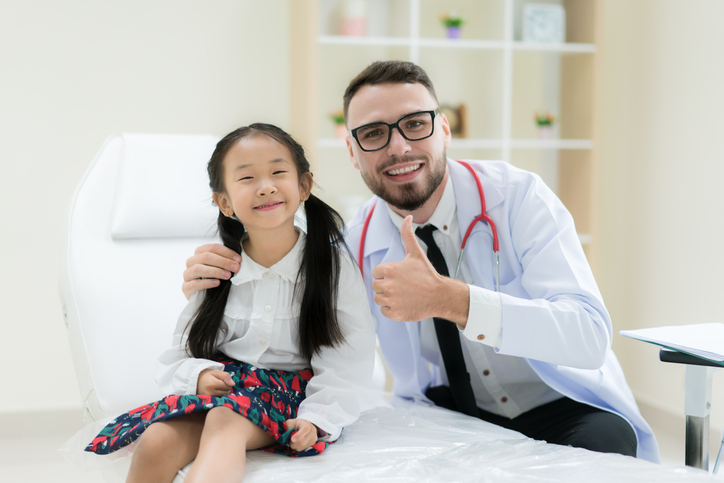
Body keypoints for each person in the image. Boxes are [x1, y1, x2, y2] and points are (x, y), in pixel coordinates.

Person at [182, 62, 659, 462]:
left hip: (563, 404)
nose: (398, 147)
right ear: (352, 152)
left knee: (603, 457)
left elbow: (590, 336)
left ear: (444, 128)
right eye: (373, 134)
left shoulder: (518, 198)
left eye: (415, 124)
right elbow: (306, 336)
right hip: (447, 412)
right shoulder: (353, 244)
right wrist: (224, 285)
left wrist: (453, 301)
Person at [85, 123, 376, 483]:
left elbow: (349, 363)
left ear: (304, 186)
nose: (265, 185)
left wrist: (318, 419)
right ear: (224, 202)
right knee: (156, 440)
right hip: (228, 388)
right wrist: (200, 375)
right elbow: (178, 354)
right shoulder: (218, 269)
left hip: (292, 397)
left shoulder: (331, 267)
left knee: (226, 421)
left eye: (278, 172)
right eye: (247, 177)